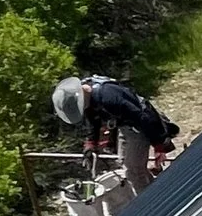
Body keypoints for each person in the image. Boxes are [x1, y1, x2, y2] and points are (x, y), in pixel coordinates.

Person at [52, 75, 180, 192]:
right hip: (124, 125)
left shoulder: (109, 98)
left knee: (133, 172)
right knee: (125, 163)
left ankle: (151, 203)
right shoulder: (88, 98)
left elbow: (143, 117)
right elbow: (93, 121)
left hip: (140, 126)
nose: (82, 108)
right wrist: (91, 143)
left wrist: (159, 144)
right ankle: (157, 190)